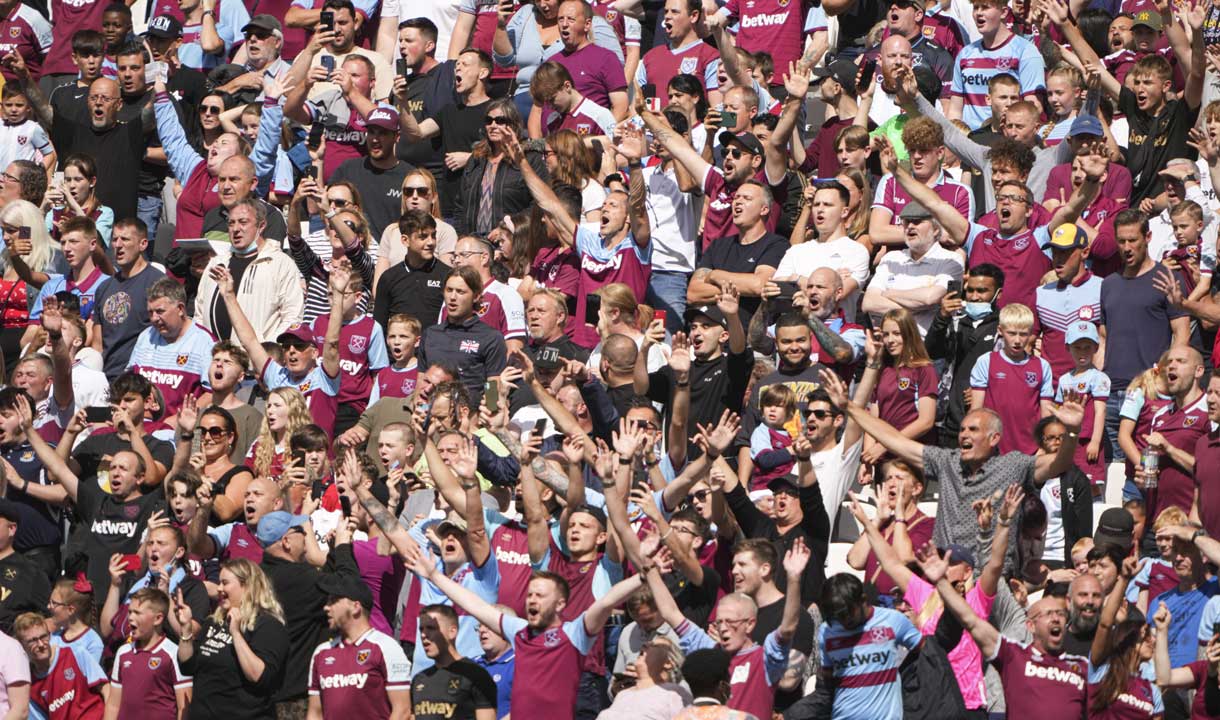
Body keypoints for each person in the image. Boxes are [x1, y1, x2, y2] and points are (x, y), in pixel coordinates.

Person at [818, 365, 1086, 568]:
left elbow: (1057, 464)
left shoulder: (1014, 465)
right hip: (943, 575)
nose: (963, 435)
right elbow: (897, 441)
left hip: (989, 580)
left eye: (972, 430)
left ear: (994, 438)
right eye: (962, 430)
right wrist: (849, 407)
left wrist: (1072, 432)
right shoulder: (947, 461)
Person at [173, 559, 288, 720]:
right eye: (219, 582)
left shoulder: (268, 626)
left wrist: (236, 633)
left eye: (225, 583)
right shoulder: (213, 622)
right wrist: (185, 629)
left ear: (247, 586)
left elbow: (259, 677)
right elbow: (187, 666)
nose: (219, 588)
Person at [307, 573, 411, 720]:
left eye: (334, 601)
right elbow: (315, 713)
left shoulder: (386, 647)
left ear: (356, 607)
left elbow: (402, 711)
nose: (326, 607)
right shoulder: (321, 652)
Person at [969, 303, 1054, 455]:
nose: (1017, 340)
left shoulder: (1042, 366)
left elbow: (1046, 413)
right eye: (1012, 333)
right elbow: (976, 409)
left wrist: (1043, 447)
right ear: (1000, 331)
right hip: (993, 449)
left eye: (1023, 334)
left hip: (1030, 449)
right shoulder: (986, 361)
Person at [91, 219, 165, 379]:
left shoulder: (158, 283)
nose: (117, 245)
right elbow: (97, 343)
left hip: (140, 378)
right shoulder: (104, 288)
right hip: (107, 378)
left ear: (143, 244)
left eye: (124, 239)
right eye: (114, 239)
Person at [105, 588, 191, 720]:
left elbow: (184, 707)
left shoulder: (173, 653)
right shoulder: (123, 652)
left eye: (137, 613)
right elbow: (113, 704)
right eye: (129, 612)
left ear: (158, 619)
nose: (130, 617)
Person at [14, 611, 107, 720]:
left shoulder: (75, 653)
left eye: (44, 637)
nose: (40, 644)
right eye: (32, 641)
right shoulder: (28, 684)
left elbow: (106, 689)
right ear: (21, 645)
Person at [411, 604, 498, 720]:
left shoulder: (476, 675)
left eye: (431, 628)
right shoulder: (419, 679)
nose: (423, 635)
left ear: (452, 631)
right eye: (421, 629)